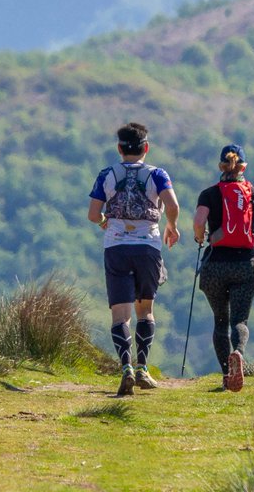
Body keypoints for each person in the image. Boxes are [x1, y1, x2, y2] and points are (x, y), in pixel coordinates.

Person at [88, 122, 180, 396]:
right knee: (145, 310)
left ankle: (126, 367)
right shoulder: (157, 175)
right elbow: (173, 205)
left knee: (120, 314)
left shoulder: (107, 174)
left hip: (116, 246)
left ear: (119, 148)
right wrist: (171, 226)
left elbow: (93, 215)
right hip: (147, 247)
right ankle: (142, 368)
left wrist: (106, 222)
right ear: (146, 148)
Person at [192, 144, 254, 392]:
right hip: (246, 265)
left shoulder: (208, 194)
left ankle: (226, 375)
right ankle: (238, 352)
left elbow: (198, 223)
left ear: (221, 166)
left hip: (215, 264)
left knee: (220, 320)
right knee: (239, 320)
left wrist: (201, 237)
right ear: (244, 167)